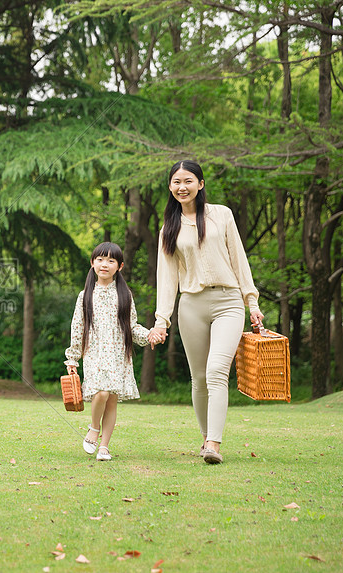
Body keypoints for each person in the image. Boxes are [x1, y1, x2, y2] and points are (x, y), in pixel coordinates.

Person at [147, 160, 264, 465]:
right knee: (199, 378)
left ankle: (214, 442)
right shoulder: (168, 229)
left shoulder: (221, 214)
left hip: (228, 302)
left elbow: (240, 259)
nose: (181, 187)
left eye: (188, 181)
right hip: (192, 305)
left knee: (216, 372)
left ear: (200, 184)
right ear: (170, 187)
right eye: (175, 182)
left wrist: (252, 302)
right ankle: (205, 438)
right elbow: (167, 277)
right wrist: (162, 320)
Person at [64, 242, 150, 461]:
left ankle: (104, 446)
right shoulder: (85, 295)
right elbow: (77, 327)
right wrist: (72, 358)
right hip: (93, 354)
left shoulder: (125, 295)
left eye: (111, 261)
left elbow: (132, 327)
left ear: (119, 266)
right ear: (93, 263)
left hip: (118, 355)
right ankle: (94, 428)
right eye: (100, 259)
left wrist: (149, 336)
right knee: (101, 392)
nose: (105, 264)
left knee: (111, 399)